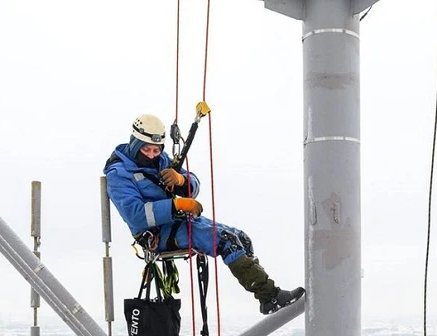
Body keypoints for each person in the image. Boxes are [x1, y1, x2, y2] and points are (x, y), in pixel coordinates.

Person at [104, 114, 305, 314]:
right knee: (225, 240)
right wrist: (177, 204)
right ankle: (269, 296)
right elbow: (136, 215)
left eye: (156, 150)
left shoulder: (161, 161)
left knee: (240, 238)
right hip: (156, 234)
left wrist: (182, 181)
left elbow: (193, 183)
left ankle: (265, 292)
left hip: (178, 222)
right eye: (146, 149)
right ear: (134, 144)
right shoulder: (119, 174)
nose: (151, 155)